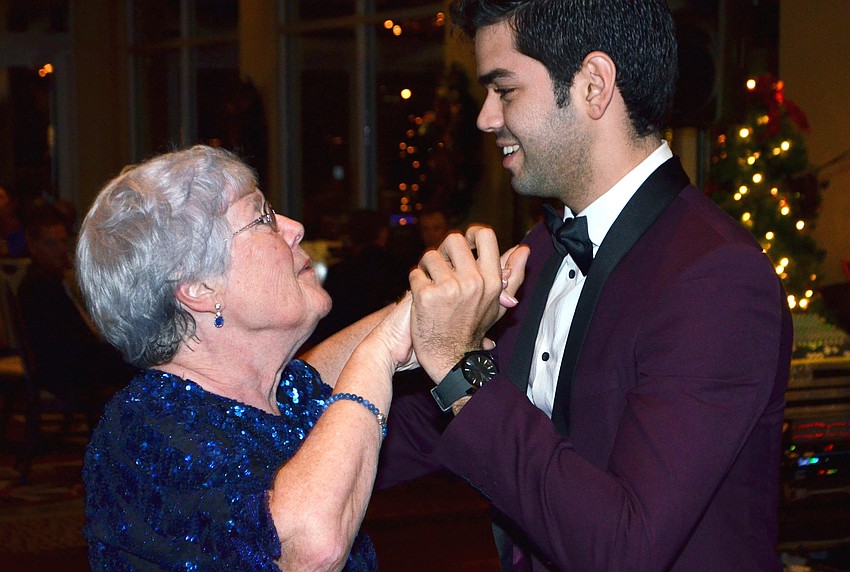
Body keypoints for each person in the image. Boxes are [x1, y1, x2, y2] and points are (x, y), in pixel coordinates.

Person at [378, 1, 792, 570]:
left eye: (505, 89)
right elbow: (404, 433)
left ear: (594, 85)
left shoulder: (714, 277)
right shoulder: (541, 249)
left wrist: (458, 368)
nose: (485, 117)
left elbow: (625, 548)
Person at [77, 145, 418, 570]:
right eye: (262, 218)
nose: (293, 227)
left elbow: (324, 368)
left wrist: (429, 305)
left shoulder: (282, 389)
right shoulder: (142, 428)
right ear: (200, 287)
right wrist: (381, 353)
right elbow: (308, 548)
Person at [16, 203, 133, 426]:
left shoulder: (47, 279)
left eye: (63, 241)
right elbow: (70, 343)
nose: (61, 249)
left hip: (72, 364)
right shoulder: (41, 286)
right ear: (33, 246)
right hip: (68, 373)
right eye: (52, 243)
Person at [307, 209, 409, 346]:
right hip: (384, 345)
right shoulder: (397, 268)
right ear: (383, 234)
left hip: (341, 346)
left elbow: (327, 323)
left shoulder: (339, 271)